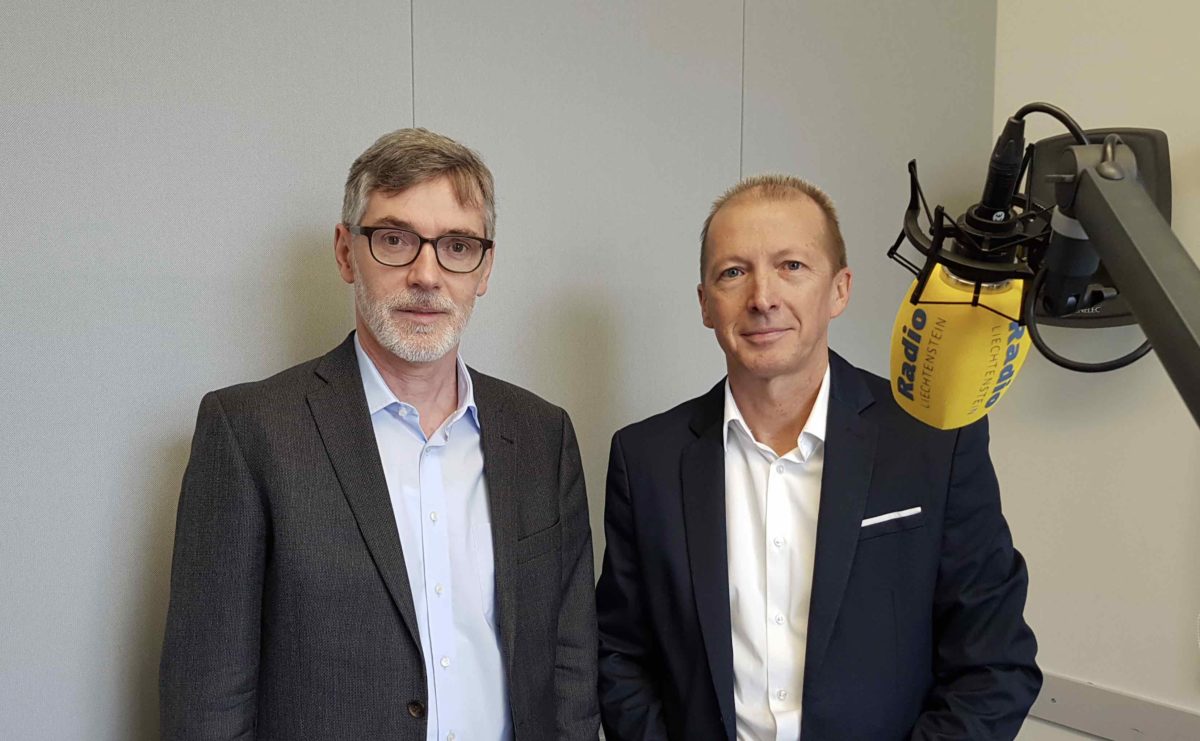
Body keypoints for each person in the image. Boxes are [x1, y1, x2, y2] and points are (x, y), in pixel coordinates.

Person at [160, 128, 598, 740]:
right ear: (346, 252)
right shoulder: (249, 433)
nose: (427, 274)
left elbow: (571, 668)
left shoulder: (542, 436)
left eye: (457, 245)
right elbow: (208, 702)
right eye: (395, 239)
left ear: (485, 268)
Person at [595, 175, 1040, 739]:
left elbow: (995, 663)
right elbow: (620, 655)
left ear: (839, 290)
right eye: (733, 272)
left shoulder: (934, 441)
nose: (762, 298)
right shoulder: (645, 459)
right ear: (705, 304)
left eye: (792, 266)